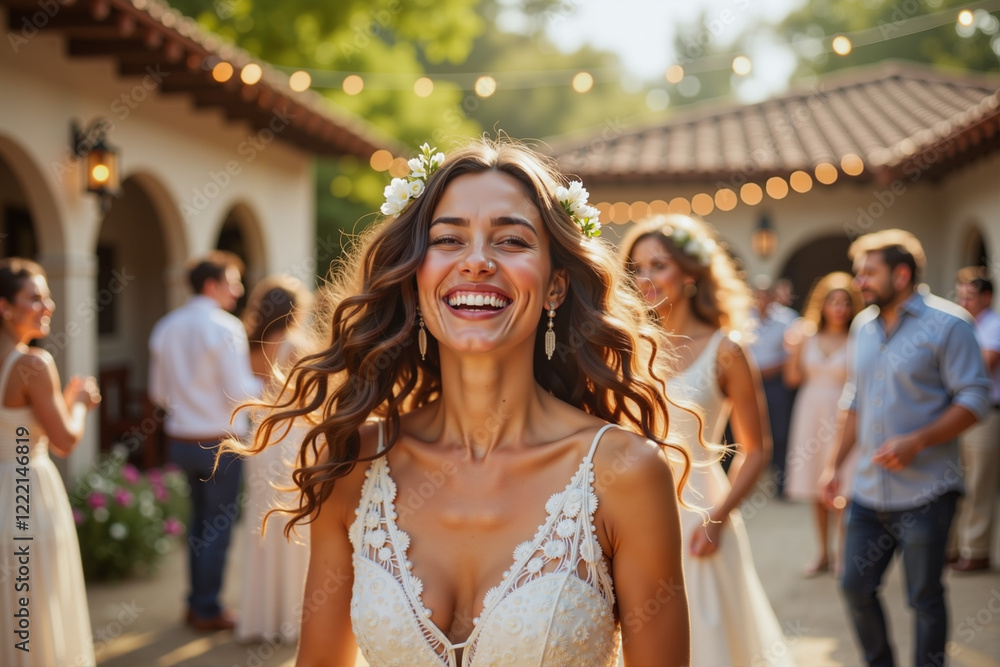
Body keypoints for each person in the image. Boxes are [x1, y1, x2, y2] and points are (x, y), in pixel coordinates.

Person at [228, 139, 692, 666]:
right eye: (448, 238)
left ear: (556, 287)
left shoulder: (625, 474)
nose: (476, 262)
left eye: (511, 240)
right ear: (416, 277)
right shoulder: (353, 464)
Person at [622, 214, 794, 666]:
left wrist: (718, 518)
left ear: (690, 272)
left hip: (701, 512)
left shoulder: (726, 349)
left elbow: (757, 450)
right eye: (637, 268)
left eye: (658, 265)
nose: (646, 279)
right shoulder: (624, 345)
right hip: (632, 508)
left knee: (708, 637)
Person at [820, 230, 990, 667]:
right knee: (854, 587)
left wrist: (919, 441)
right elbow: (854, 401)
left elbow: (974, 399)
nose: (859, 282)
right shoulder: (862, 326)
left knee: (924, 597)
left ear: (902, 273)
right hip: (867, 490)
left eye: (869, 273)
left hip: (928, 491)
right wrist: (833, 465)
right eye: (858, 273)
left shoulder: (950, 323)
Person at [148, 250, 262, 632]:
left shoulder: (165, 326)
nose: (239, 289)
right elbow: (239, 390)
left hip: (180, 440)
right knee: (218, 526)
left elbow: (158, 394)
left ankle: (196, 601)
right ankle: (207, 607)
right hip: (220, 442)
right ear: (212, 285)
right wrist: (278, 383)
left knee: (198, 523)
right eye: (232, 281)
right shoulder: (226, 327)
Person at [0, 258, 101, 667]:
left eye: (48, 296)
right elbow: (63, 441)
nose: (49, 305)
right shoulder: (32, 365)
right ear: (4, 307)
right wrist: (77, 402)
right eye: (35, 297)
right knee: (37, 611)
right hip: (28, 496)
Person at [236, 275, 314, 643]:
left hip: (260, 439)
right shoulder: (296, 346)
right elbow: (311, 399)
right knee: (294, 527)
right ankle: (290, 619)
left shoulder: (248, 346)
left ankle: (261, 618)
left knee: (261, 525)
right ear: (294, 310)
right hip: (291, 441)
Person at [784, 271, 863, 577]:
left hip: (844, 412)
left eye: (845, 302)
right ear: (823, 304)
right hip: (810, 410)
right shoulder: (807, 335)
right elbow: (792, 378)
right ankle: (822, 552)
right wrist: (793, 350)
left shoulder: (857, 338)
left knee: (842, 482)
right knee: (814, 483)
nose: (840, 308)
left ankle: (844, 552)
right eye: (834, 301)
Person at [949, 266, 1000, 573]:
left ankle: (976, 551)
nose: (964, 301)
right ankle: (953, 548)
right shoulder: (962, 325)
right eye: (961, 295)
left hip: (986, 415)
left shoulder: (993, 326)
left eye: (970, 295)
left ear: (987, 297)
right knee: (956, 483)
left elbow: (982, 366)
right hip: (958, 413)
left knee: (979, 484)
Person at [749, 274, 798, 496]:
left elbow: (793, 354)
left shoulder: (787, 319)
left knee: (779, 432)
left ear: (771, 297)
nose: (760, 300)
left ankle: (781, 485)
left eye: (764, 295)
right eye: (757, 295)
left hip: (775, 383)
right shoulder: (742, 318)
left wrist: (771, 369)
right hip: (747, 384)